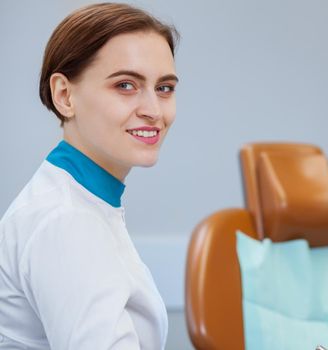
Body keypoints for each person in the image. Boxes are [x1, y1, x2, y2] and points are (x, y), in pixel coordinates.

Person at [0, 3, 179, 349]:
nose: (153, 111)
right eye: (126, 85)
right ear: (65, 96)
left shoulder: (82, 200)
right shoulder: (65, 221)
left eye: (164, 88)